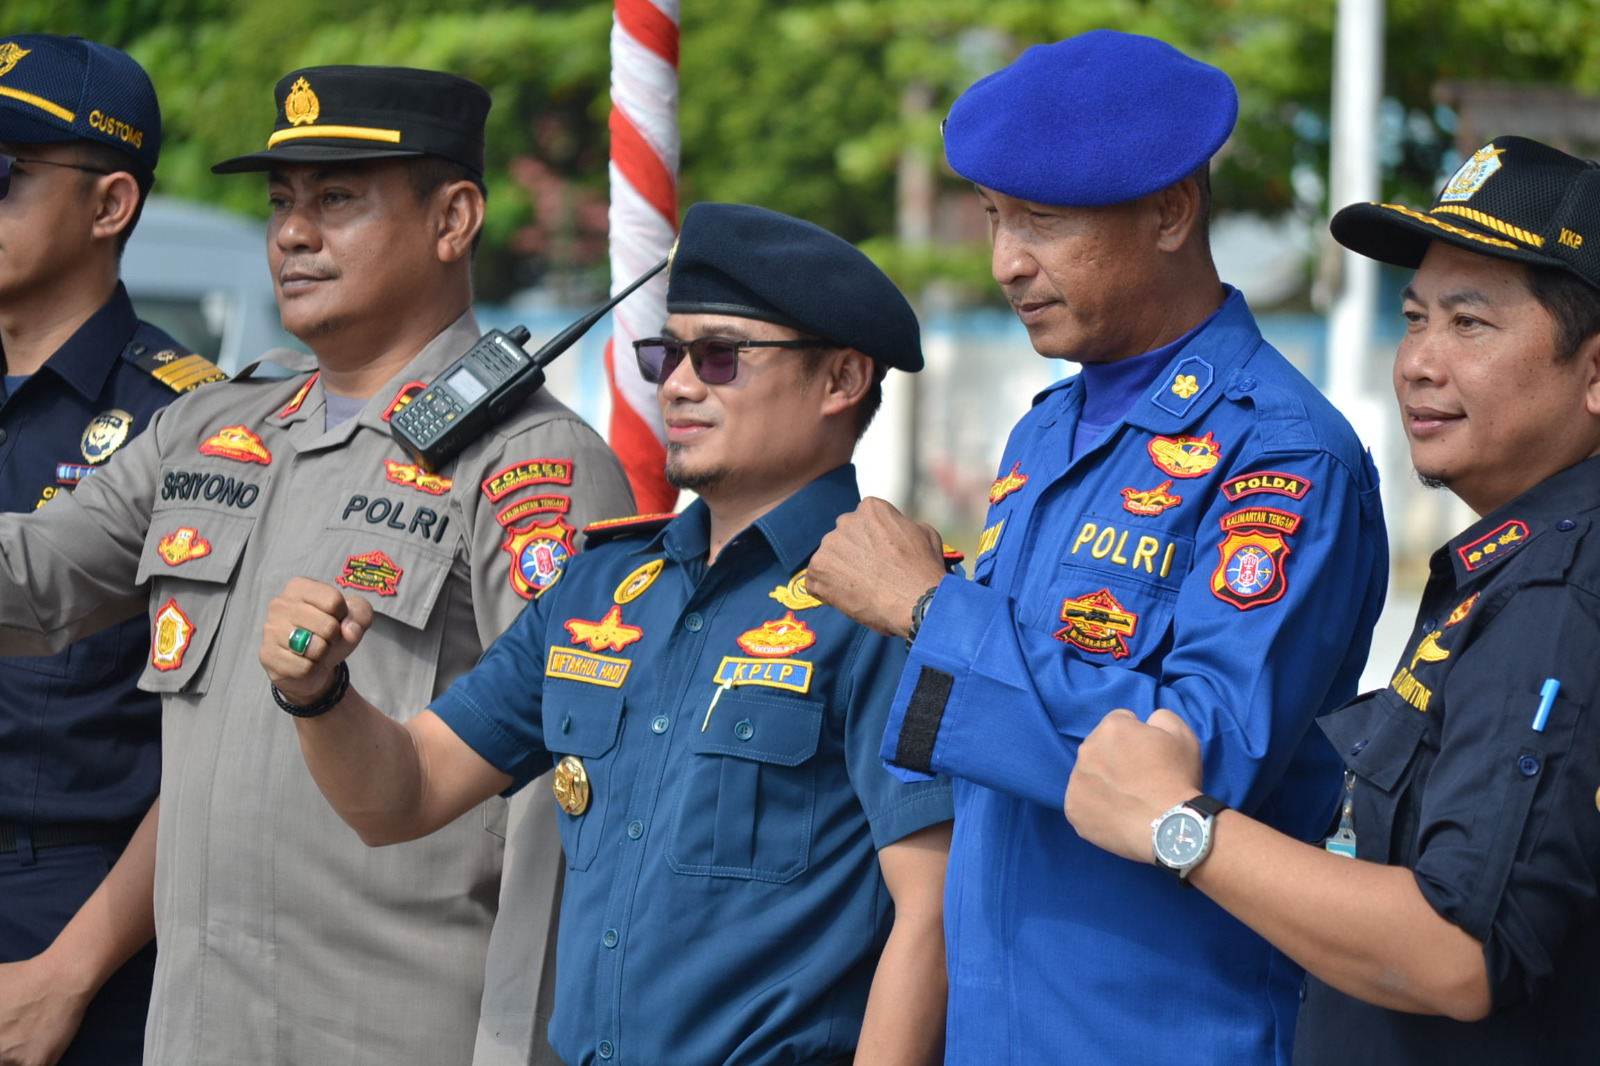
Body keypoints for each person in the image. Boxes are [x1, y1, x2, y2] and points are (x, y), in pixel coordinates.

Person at [0, 65, 634, 1065]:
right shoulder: (210, 428)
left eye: (337, 198)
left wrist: (521, 1050)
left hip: (396, 1033)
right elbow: (31, 579)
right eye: (281, 201)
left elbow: (567, 806)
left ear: (454, 218)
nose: (293, 234)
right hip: (200, 1031)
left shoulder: (532, 462)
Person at [807, 30, 1388, 1065]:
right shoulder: (1048, 426)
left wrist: (932, 611)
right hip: (1002, 1020)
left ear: (1170, 211)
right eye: (992, 217)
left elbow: (1197, 766)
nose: (1003, 262)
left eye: (1040, 220)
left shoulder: (1282, 456)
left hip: (1165, 1030)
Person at [261, 202, 956, 1066]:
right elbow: (400, 795)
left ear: (843, 380)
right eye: (667, 355)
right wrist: (317, 692)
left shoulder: (887, 606)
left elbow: (930, 914)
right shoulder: (599, 589)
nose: (676, 385)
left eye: (720, 357)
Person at [1065, 134, 1600, 1065]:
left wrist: (1179, 826)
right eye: (1413, 318)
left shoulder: (1564, 585)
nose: (1419, 364)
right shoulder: (1517, 559)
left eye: (1469, 325)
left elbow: (1458, 950)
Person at [0, 33, 224, 1066]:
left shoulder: (190, 424)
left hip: (83, 916)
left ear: (110, 205)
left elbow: (216, 748)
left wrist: (70, 970)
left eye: (5, 175)